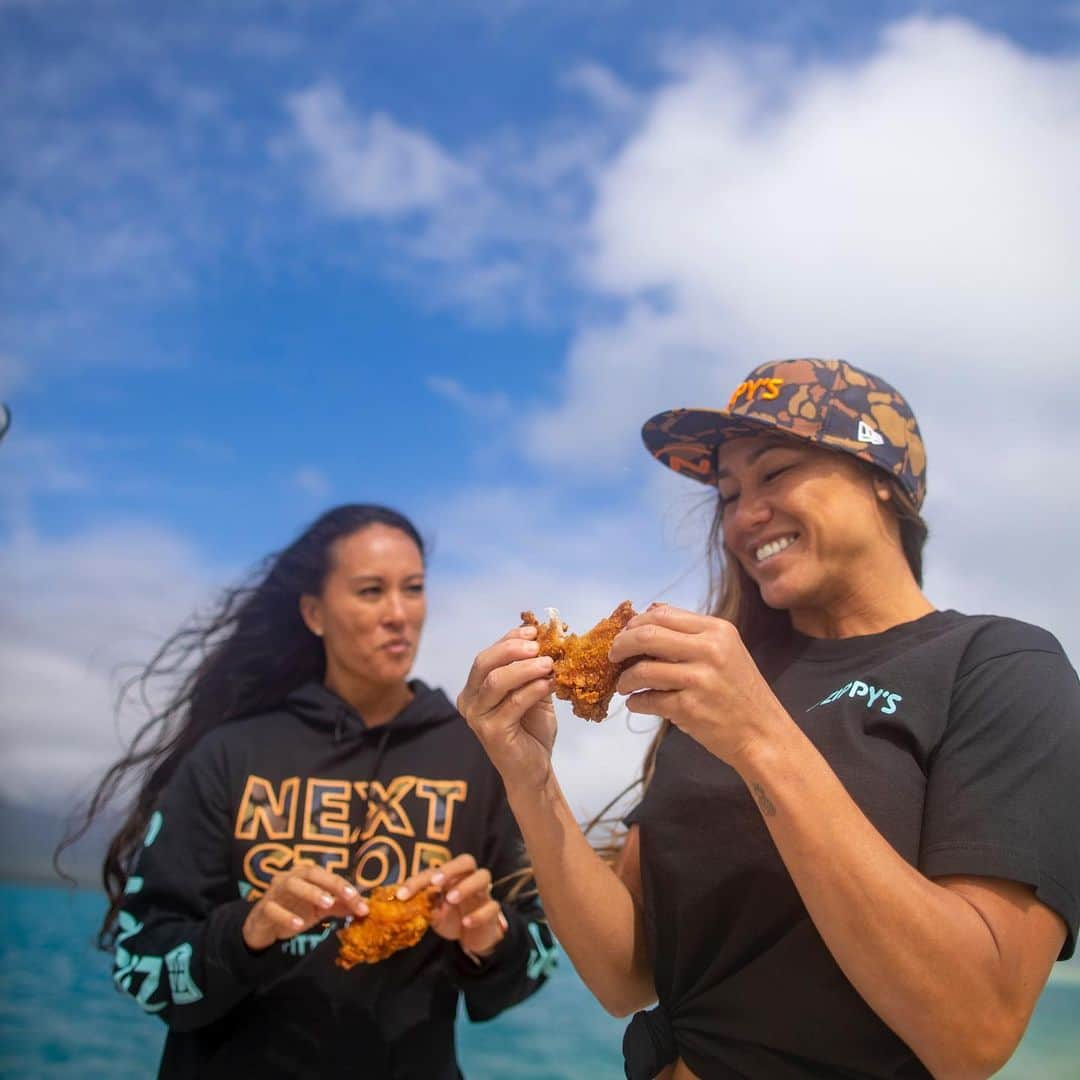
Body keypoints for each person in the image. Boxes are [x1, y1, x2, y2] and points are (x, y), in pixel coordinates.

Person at [457, 359, 1080, 1079]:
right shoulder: (723, 678)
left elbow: (972, 1031)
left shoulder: (997, 667)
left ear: (884, 476)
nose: (744, 516)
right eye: (728, 494)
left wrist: (760, 738)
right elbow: (626, 975)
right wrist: (530, 777)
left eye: (776, 473)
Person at [67, 504, 554, 1079]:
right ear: (314, 613)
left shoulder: (473, 755)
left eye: (413, 588)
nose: (399, 614)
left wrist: (488, 935)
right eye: (371, 591)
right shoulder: (231, 753)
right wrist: (249, 931)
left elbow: (538, 956)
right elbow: (140, 962)